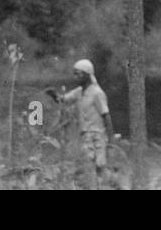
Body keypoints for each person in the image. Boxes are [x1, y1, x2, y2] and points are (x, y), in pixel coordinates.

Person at [46, 58, 115, 188]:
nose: (75, 77)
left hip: (97, 137)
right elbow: (63, 100)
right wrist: (54, 95)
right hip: (85, 136)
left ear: (87, 75)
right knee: (88, 168)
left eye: (78, 74)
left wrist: (111, 140)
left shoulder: (97, 93)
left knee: (99, 168)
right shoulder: (79, 92)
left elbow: (106, 116)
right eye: (75, 73)